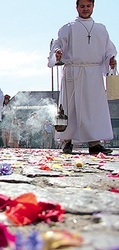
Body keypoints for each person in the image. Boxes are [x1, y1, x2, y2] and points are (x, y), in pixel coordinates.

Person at [48, 0, 117, 154]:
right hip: (73, 71)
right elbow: (58, 43)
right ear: (77, 7)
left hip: (93, 73)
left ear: (93, 6)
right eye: (82, 6)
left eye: (88, 6)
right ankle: (67, 141)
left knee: (93, 107)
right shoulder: (68, 27)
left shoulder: (101, 29)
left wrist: (110, 59)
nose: (85, 9)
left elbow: (108, 49)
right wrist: (58, 51)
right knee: (69, 106)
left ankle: (94, 143)